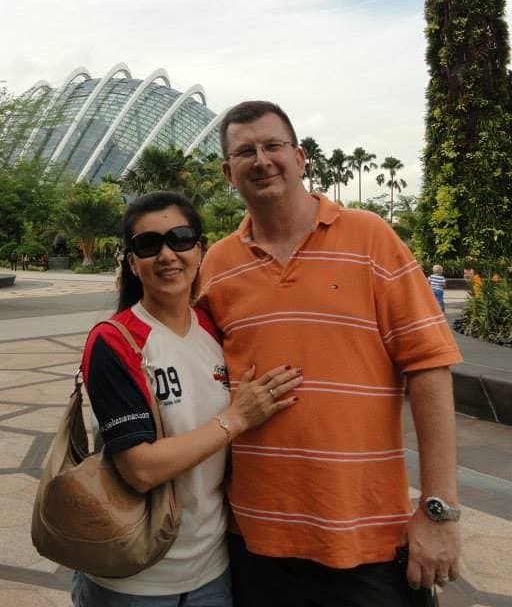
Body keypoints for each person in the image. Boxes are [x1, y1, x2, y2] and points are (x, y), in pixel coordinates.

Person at [198, 101, 462, 607]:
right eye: (245, 151)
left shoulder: (370, 237)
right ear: (228, 173)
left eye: (273, 146)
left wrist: (439, 511)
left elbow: (429, 366)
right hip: (256, 539)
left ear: (300, 158)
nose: (262, 160)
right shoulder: (218, 265)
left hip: (367, 536)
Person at [73, 190, 302, 607]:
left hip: (212, 572)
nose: (167, 255)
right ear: (131, 263)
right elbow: (140, 469)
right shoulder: (115, 342)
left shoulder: (216, 332)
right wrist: (236, 419)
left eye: (179, 239)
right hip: (134, 578)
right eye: (148, 244)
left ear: (200, 250)